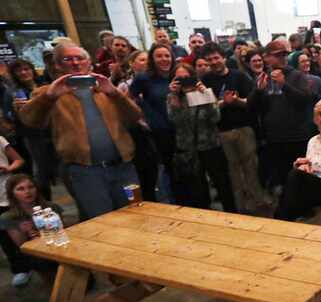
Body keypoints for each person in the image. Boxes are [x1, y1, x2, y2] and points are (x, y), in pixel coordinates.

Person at [19, 43, 143, 219]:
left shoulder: (104, 88)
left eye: (80, 58)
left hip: (123, 167)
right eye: (68, 59)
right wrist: (49, 98)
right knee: (102, 221)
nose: (75, 63)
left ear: (89, 62)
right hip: (85, 171)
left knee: (136, 213)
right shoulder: (48, 92)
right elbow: (30, 120)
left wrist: (115, 94)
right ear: (57, 65)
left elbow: (134, 116)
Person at [200, 41, 263, 214]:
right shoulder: (205, 81)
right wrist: (223, 103)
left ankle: (258, 205)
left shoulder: (239, 76)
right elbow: (206, 108)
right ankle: (240, 208)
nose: (213, 62)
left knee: (251, 168)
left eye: (216, 58)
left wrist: (236, 101)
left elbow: (250, 102)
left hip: (243, 129)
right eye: (209, 60)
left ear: (223, 58)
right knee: (233, 172)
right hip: (221, 132)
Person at [249, 39, 316, 196]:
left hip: (297, 135)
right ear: (267, 58)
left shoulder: (297, 76)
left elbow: (305, 101)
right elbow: (251, 107)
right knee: (281, 177)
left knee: (299, 176)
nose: (282, 59)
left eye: (284, 55)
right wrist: (258, 91)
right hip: (274, 137)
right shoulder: (262, 78)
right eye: (277, 56)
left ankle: (303, 206)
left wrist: (284, 85)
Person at [166, 63, 236, 212]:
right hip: (189, 148)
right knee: (198, 189)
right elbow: (175, 121)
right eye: (180, 78)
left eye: (187, 77)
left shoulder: (204, 93)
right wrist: (174, 98)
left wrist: (207, 96)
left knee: (223, 184)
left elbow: (215, 117)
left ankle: (232, 213)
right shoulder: (173, 97)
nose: (185, 81)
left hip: (210, 145)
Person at [274, 97, 321, 221]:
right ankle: (284, 218)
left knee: (295, 179)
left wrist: (310, 163)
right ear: (315, 118)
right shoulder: (312, 141)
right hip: (312, 184)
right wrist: (303, 166)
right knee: (294, 176)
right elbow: (309, 167)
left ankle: (281, 220)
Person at [5, 59, 58, 200]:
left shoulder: (45, 85)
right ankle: (45, 203)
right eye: (19, 70)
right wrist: (17, 110)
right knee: (41, 171)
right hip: (33, 135)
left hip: (54, 131)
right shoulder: (13, 92)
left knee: (63, 167)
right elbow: (8, 117)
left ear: (32, 69)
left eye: (26, 69)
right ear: (14, 74)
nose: (23, 73)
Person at [130, 43, 175, 200]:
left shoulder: (176, 75)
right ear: (152, 59)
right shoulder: (144, 78)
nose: (164, 59)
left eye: (167, 55)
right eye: (159, 56)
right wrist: (141, 118)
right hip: (160, 132)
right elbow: (130, 99)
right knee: (167, 171)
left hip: (180, 130)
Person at [1, 174, 60, 285]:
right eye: (20, 189)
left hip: (57, 245)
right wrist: (25, 232)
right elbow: (22, 245)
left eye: (31, 187)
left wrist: (50, 230)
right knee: (44, 263)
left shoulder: (51, 207)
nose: (27, 192)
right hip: (35, 253)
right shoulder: (8, 217)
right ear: (12, 193)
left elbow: (65, 232)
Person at [0, 141, 27, 286]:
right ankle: (20, 269)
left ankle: (40, 262)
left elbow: (19, 160)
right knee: (4, 239)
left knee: (25, 230)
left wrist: (8, 168)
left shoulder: (0, 139)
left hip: (8, 194)